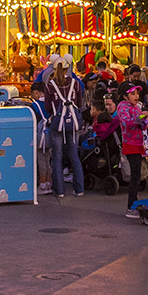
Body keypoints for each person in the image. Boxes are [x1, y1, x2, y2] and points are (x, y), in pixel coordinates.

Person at [42, 64, 87, 198]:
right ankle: (79, 189)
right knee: (74, 155)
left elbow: (47, 106)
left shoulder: (50, 85)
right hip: (73, 124)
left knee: (57, 156)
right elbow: (79, 103)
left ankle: (60, 190)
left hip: (57, 124)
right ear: (67, 68)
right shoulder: (75, 83)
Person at [114, 84, 148, 210]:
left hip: (139, 143)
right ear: (125, 96)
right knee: (135, 174)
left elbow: (142, 126)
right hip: (130, 144)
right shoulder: (122, 107)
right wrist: (141, 117)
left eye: (137, 93)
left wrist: (146, 120)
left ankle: (134, 201)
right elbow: (126, 122)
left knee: (137, 173)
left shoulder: (137, 107)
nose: (136, 96)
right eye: (132, 94)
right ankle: (131, 204)